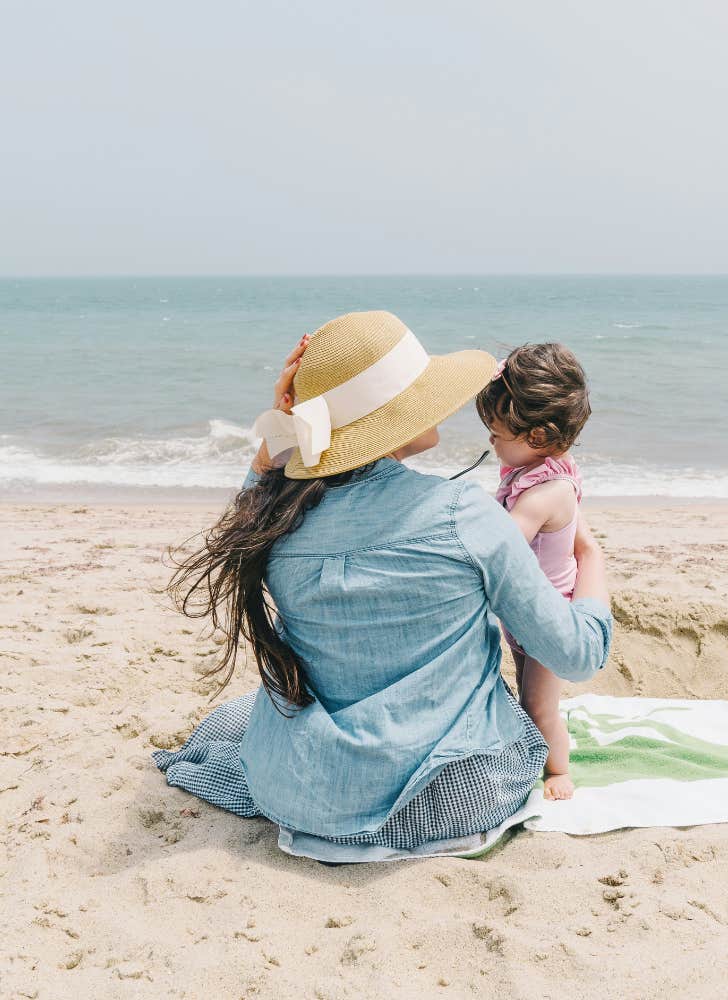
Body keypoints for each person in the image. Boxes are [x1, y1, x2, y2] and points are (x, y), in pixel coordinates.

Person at [153, 311, 612, 862]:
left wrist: (274, 444)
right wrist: (591, 556)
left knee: (238, 722)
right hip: (443, 798)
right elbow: (578, 654)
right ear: (389, 419)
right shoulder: (463, 515)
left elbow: (244, 517)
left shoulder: (273, 518)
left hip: (301, 785)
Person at [476, 344, 591, 801]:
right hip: (526, 615)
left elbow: (501, 542)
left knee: (539, 703)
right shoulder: (538, 471)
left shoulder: (545, 494)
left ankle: (558, 769)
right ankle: (539, 747)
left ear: (539, 437)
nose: (490, 442)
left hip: (546, 618)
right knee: (528, 686)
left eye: (498, 433)